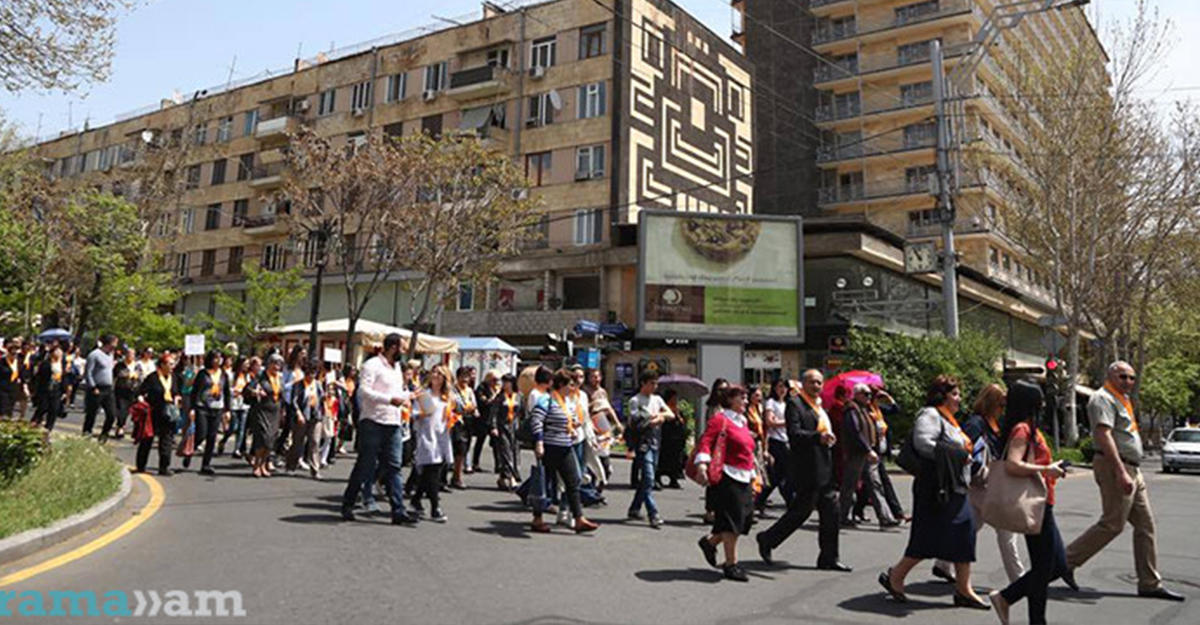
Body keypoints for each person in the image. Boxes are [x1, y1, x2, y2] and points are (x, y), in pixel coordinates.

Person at [1060, 361, 1185, 602]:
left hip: (1132, 469)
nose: (1128, 381)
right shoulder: (1102, 398)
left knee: (1146, 525)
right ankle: (1064, 562)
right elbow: (1103, 435)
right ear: (1110, 376)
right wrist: (1120, 471)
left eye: (1131, 377)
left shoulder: (1122, 399)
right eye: (1123, 377)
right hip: (1116, 466)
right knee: (1112, 524)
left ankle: (1149, 583)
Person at [878, 375, 988, 609]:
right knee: (927, 538)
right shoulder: (930, 414)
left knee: (964, 533)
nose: (959, 399)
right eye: (955, 394)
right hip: (936, 488)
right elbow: (923, 443)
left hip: (954, 486)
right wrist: (959, 456)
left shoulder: (952, 422)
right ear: (943, 395)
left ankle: (963, 589)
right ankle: (896, 576)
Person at [987, 380, 1070, 625]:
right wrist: (1047, 468)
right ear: (1031, 402)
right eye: (1040, 399)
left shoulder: (1028, 427)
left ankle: (1032, 616)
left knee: (1052, 565)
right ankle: (1007, 598)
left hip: (1044, 502)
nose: (1044, 403)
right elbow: (1012, 464)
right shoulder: (1022, 429)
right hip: (1037, 505)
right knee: (1049, 566)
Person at [756, 372, 850, 572]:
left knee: (832, 513)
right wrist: (819, 437)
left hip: (825, 467)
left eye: (819, 382)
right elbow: (795, 434)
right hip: (807, 468)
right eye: (812, 382)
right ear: (803, 384)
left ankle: (829, 558)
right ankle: (767, 539)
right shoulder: (795, 404)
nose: (816, 385)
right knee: (800, 512)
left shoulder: (819, 406)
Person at [935, 383, 1024, 583]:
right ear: (992, 404)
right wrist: (976, 470)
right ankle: (1018, 578)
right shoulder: (976, 424)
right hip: (982, 483)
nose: (1003, 409)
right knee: (1007, 531)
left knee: (971, 526)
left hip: (984, 484)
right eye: (1001, 405)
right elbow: (965, 449)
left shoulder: (993, 423)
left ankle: (943, 562)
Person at [341, 333, 416, 524]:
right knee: (365, 465)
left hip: (393, 423)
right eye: (402, 347)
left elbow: (397, 392)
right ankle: (348, 503)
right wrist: (389, 399)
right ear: (393, 347)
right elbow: (364, 391)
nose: (404, 351)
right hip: (373, 421)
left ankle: (398, 511)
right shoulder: (372, 365)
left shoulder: (397, 367)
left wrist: (409, 396)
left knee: (394, 467)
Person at [694, 385, 760, 582]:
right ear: (730, 399)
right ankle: (731, 564)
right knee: (732, 522)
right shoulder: (720, 419)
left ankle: (710, 542)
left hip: (744, 474)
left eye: (746, 398)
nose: (746, 401)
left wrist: (755, 473)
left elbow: (748, 450)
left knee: (744, 520)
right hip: (727, 475)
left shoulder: (742, 421)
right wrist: (702, 465)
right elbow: (706, 441)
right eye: (742, 398)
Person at [529, 368, 599, 534]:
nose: (573, 388)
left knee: (573, 481)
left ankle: (579, 518)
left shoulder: (566, 402)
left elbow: (569, 419)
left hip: (566, 446)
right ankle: (537, 518)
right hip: (550, 447)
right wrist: (539, 443)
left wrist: (573, 426)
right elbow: (536, 421)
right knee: (544, 483)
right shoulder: (546, 400)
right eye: (571, 385)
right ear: (561, 385)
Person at [840, 383, 898, 529]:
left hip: (868, 453)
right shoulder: (851, 410)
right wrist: (867, 450)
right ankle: (842, 516)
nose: (869, 397)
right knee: (849, 486)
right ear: (857, 394)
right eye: (866, 394)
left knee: (875, 485)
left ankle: (886, 518)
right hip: (858, 453)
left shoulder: (865, 410)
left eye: (869, 394)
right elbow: (855, 432)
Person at [626, 370, 675, 528]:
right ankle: (653, 513)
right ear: (643, 383)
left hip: (656, 441)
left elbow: (670, 413)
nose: (654, 386)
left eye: (656, 383)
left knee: (647, 479)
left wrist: (660, 417)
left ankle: (634, 508)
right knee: (648, 478)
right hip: (643, 442)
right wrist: (652, 420)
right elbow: (635, 420)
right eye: (651, 383)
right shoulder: (635, 400)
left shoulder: (657, 399)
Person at [411, 365, 456, 522]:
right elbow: (414, 414)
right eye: (434, 372)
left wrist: (453, 418)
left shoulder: (447, 397)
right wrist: (422, 414)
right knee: (433, 471)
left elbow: (451, 414)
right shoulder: (424, 395)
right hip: (426, 435)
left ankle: (416, 498)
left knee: (432, 470)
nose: (436, 376)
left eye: (439, 373)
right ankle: (435, 508)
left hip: (441, 436)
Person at [135, 352, 181, 476]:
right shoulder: (152, 377)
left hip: (169, 412)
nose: (172, 366)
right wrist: (141, 400)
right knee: (147, 439)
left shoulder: (174, 377)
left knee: (166, 440)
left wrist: (176, 398)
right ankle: (141, 465)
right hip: (154, 411)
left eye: (173, 364)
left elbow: (176, 392)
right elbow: (141, 391)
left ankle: (164, 467)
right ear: (162, 365)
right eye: (170, 364)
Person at [188, 350, 232, 476]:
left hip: (217, 408)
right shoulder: (203, 373)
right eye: (215, 358)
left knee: (212, 437)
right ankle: (190, 451)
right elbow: (195, 391)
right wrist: (192, 408)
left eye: (220, 358)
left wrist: (227, 410)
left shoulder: (223, 374)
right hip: (202, 407)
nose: (218, 361)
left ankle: (206, 464)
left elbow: (227, 393)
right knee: (201, 433)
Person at [756, 378, 793, 514]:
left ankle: (760, 500)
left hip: (787, 440)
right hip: (776, 441)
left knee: (779, 475)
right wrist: (786, 423)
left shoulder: (788, 403)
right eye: (779, 387)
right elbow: (770, 422)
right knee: (781, 474)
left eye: (784, 387)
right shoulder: (771, 403)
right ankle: (790, 503)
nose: (782, 390)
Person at [288, 362, 326, 480]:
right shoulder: (298, 385)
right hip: (302, 417)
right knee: (298, 442)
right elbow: (293, 401)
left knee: (314, 442)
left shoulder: (318, 385)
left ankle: (315, 469)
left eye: (314, 373)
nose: (311, 376)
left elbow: (322, 398)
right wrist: (298, 413)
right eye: (309, 373)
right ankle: (291, 466)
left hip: (316, 417)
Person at [248, 356, 281, 478]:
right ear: (269, 364)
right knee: (263, 437)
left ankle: (263, 464)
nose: (276, 367)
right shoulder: (260, 377)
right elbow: (249, 388)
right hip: (262, 410)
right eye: (274, 364)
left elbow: (281, 394)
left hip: (275, 411)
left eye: (278, 364)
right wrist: (255, 392)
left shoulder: (279, 378)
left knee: (271, 440)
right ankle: (256, 464)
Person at [490, 373, 523, 490]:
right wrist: (493, 427)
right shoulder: (500, 397)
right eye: (503, 382)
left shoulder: (518, 396)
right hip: (502, 427)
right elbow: (493, 413)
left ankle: (503, 477)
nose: (504, 385)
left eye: (507, 382)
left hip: (514, 427)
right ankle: (511, 478)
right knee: (505, 452)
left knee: (515, 451)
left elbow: (522, 413)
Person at [83, 334, 118, 438]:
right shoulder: (94, 355)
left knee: (111, 415)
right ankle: (86, 434)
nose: (116, 345)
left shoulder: (111, 355)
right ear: (109, 343)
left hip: (108, 389)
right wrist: (93, 387)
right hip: (97, 388)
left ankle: (104, 435)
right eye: (115, 342)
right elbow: (88, 372)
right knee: (92, 414)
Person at [449, 367, 477, 488]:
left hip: (468, 421)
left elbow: (474, 404)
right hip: (456, 421)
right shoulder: (453, 390)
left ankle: (456, 476)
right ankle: (455, 476)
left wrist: (473, 409)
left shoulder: (469, 390)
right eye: (463, 376)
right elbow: (453, 405)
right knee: (458, 448)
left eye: (467, 377)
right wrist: (465, 408)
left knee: (464, 449)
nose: (465, 379)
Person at [219, 357, 250, 459]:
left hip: (244, 404)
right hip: (234, 403)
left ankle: (237, 449)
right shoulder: (232, 375)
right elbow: (228, 390)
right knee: (234, 427)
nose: (247, 366)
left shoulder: (247, 376)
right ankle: (223, 440)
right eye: (245, 364)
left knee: (242, 428)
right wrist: (235, 391)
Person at [31, 343, 67, 430]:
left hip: (57, 389)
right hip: (45, 389)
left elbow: (64, 378)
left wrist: (64, 391)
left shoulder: (62, 364)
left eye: (60, 351)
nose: (59, 353)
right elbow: (39, 377)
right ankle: (33, 425)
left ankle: (48, 429)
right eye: (57, 351)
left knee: (54, 410)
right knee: (42, 408)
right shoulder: (46, 363)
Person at [658, 388, 687, 489]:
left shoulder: (678, 410)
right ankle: (658, 478)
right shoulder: (664, 409)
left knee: (675, 461)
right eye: (673, 398)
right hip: (666, 439)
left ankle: (673, 479)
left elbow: (682, 423)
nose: (675, 400)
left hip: (677, 440)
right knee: (663, 460)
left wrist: (678, 415)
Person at [113, 347, 141, 440]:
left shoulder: (137, 365)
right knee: (122, 409)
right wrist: (128, 375)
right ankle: (120, 427)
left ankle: (123, 426)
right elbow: (118, 374)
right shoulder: (120, 365)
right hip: (121, 390)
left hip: (133, 391)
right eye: (128, 354)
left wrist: (137, 376)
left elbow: (140, 375)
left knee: (129, 410)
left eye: (132, 354)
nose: (130, 356)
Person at [1, 338, 26, 419]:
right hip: (2, 388)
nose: (14, 355)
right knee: (3, 408)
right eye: (12, 353)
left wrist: (25, 386)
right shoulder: (2, 361)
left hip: (14, 387)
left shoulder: (19, 362)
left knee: (10, 408)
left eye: (15, 353)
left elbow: (22, 375)